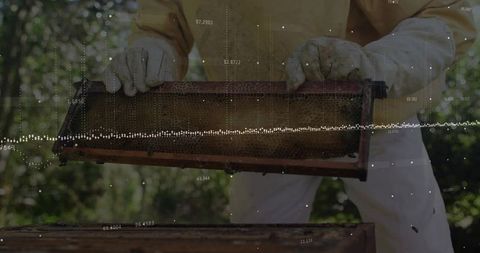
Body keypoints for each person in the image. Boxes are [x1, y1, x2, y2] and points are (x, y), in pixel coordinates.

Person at [103, 1, 477, 252]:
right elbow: (163, 27)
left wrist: (376, 64)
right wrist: (153, 51)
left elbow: (446, 16)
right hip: (264, 129)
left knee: (416, 243)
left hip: (374, 118)